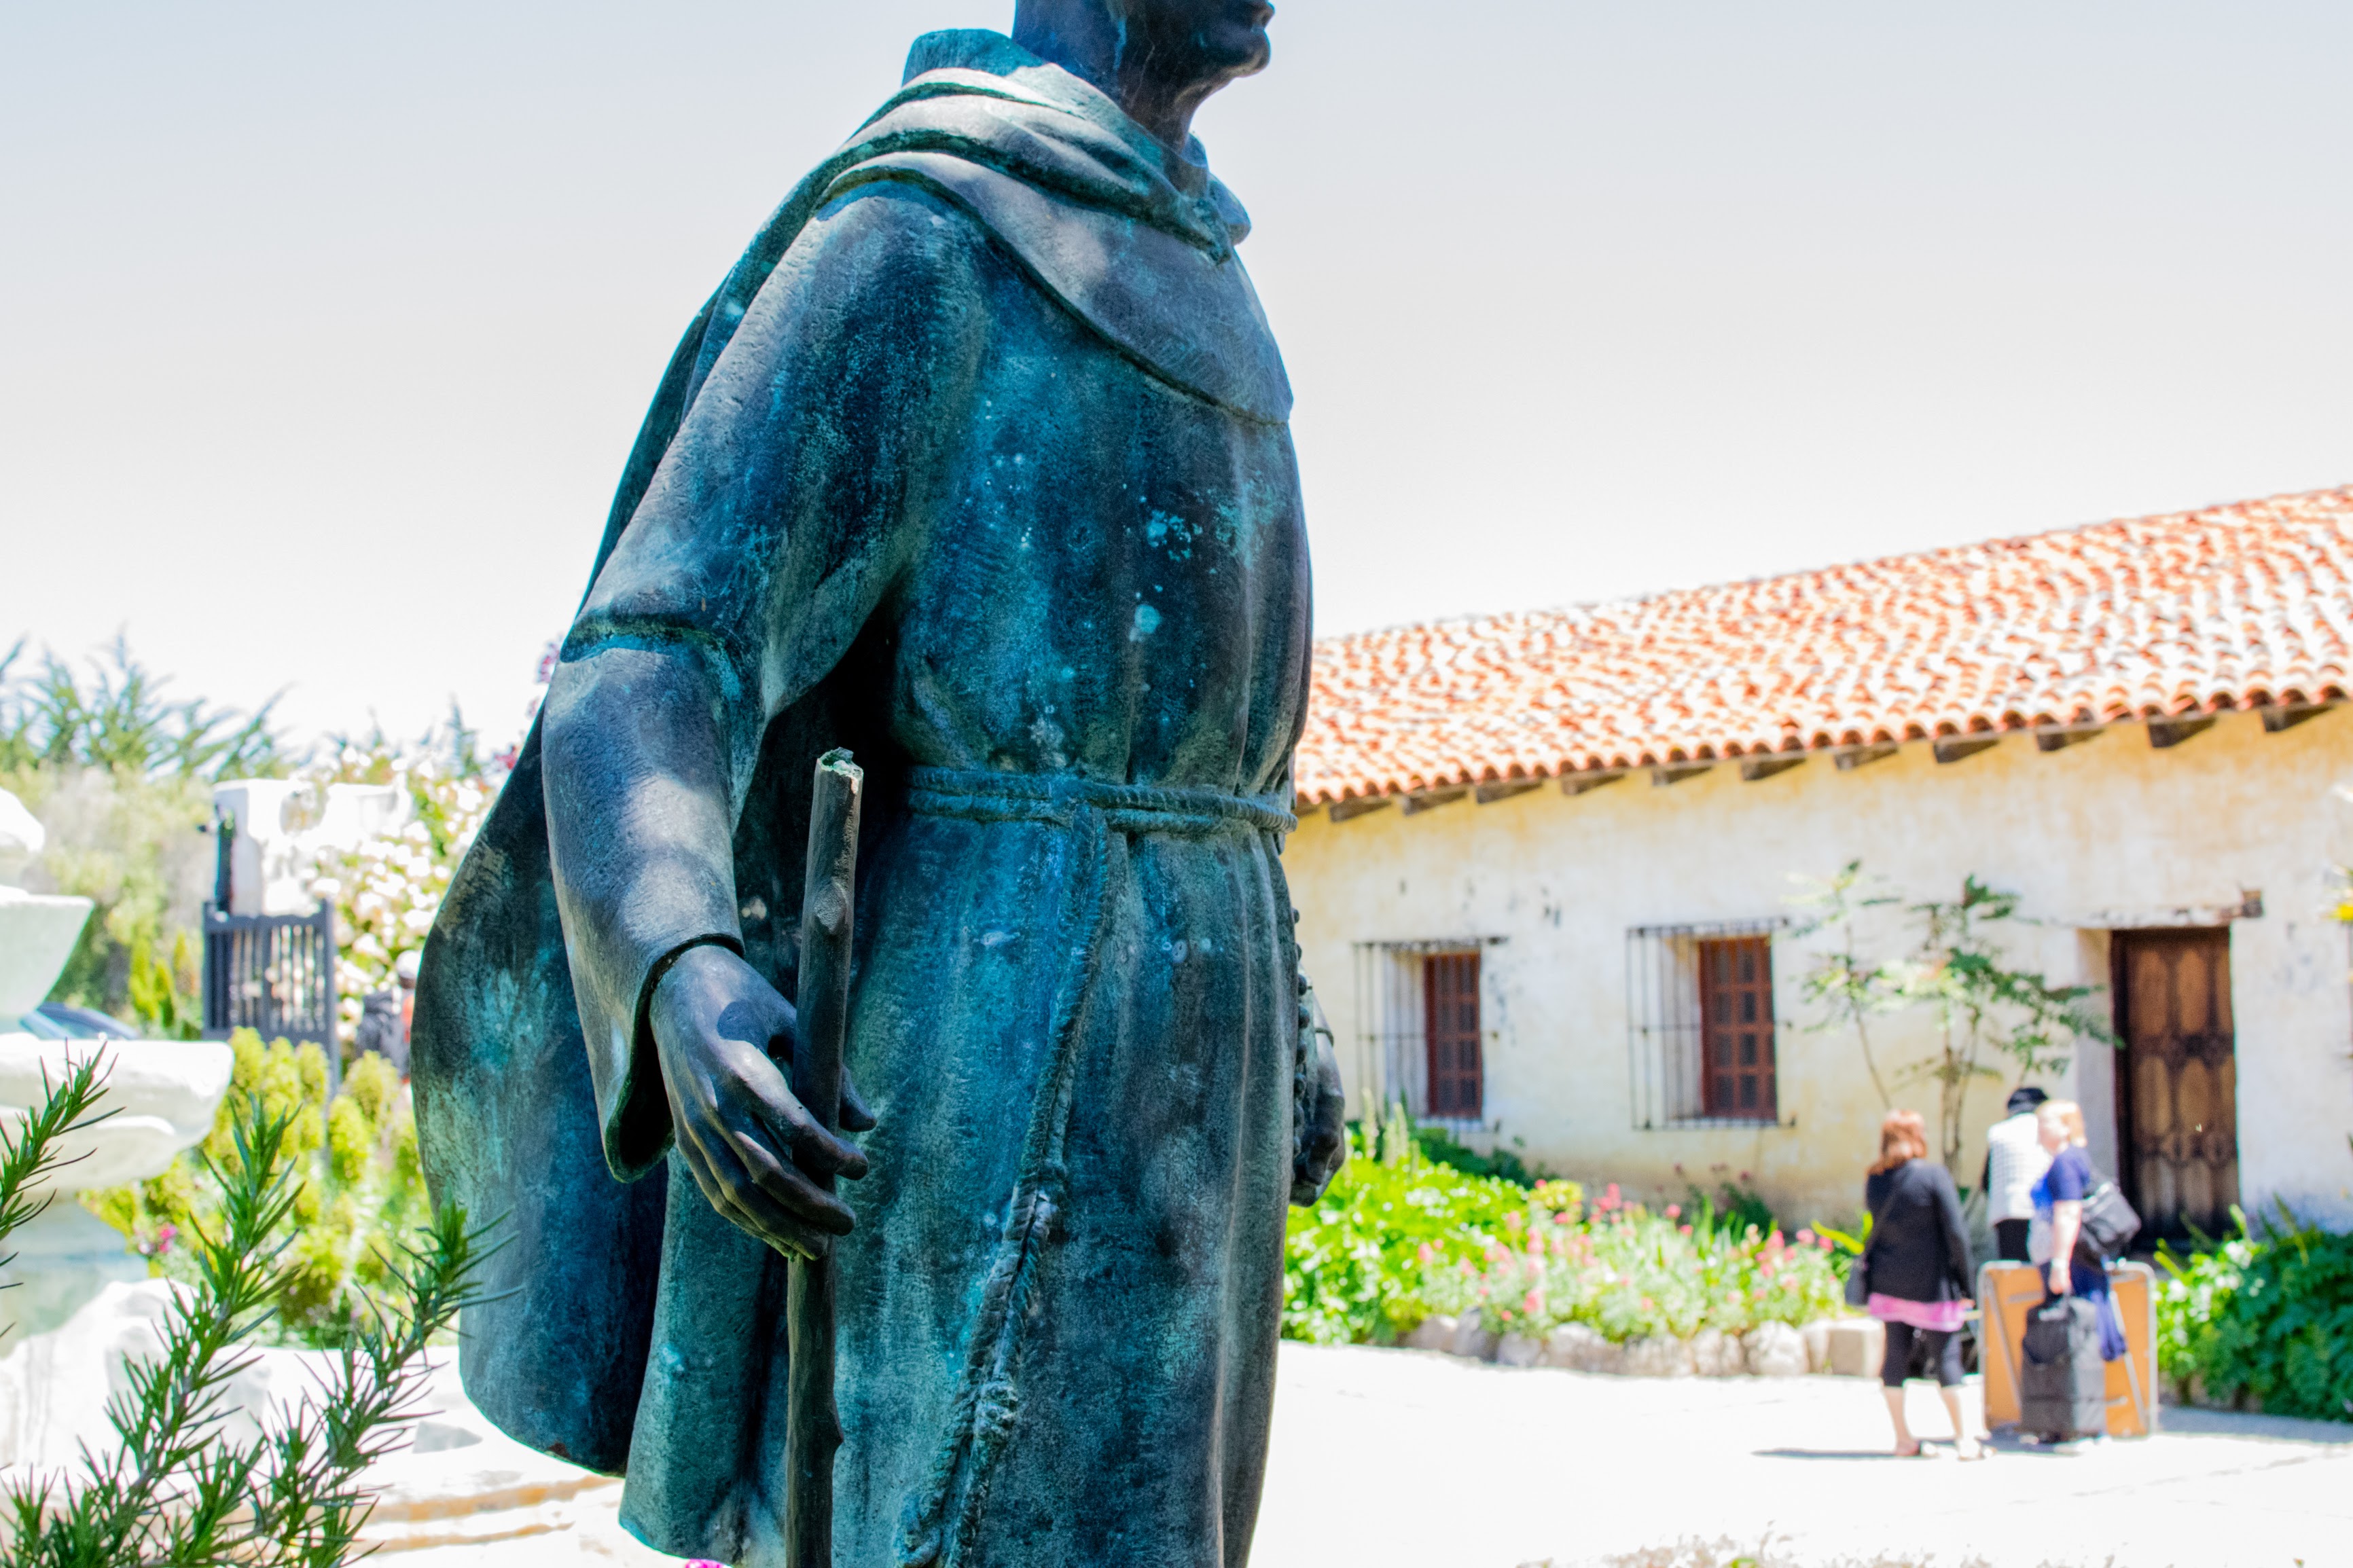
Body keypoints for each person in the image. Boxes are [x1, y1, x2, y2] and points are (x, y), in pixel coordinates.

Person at [412, 5, 1348, 1566]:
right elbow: (647, 654)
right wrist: (678, 966)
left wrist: (1289, 1006)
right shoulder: (920, 232)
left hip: (1204, 1067)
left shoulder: (1207, 269)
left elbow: (1218, 750)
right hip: (984, 1047)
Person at [1863, 1110, 1985, 1459]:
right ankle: (1964, 1440)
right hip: (1931, 1283)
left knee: (1895, 1358)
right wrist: (1967, 1285)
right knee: (1946, 1356)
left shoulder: (1876, 1178)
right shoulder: (1933, 1176)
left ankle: (1903, 1438)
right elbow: (1956, 1233)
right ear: (1918, 1136)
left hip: (1888, 1281)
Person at [2031, 1099, 2129, 1364]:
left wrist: (2060, 1263)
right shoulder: (2066, 1159)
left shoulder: (2066, 1162)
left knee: (2081, 1327)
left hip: (2076, 1261)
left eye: (2045, 1122)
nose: (2039, 1128)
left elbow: (2069, 1212)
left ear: (2065, 1127)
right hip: (2074, 1259)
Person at [1983, 1085, 2050, 1262]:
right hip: (2041, 1209)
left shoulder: (1997, 1132)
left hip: (2007, 1211)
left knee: (2014, 1271)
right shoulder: (2045, 1127)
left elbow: (1986, 1182)